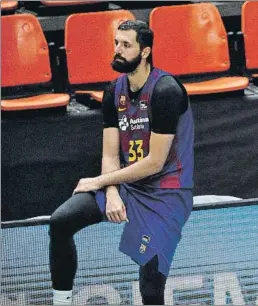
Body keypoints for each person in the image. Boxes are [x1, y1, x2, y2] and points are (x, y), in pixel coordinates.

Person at [48, 20, 195, 305]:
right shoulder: (113, 91)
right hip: (126, 185)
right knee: (60, 222)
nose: (117, 50)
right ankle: (61, 300)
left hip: (166, 192)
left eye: (126, 45)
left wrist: (102, 181)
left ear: (145, 52)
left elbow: (154, 162)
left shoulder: (166, 91)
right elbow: (110, 155)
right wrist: (112, 192)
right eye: (116, 43)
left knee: (151, 286)